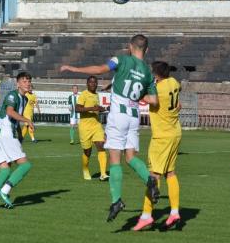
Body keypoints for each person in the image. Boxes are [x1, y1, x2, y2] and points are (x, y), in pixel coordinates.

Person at [60, 34, 158, 222]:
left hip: (118, 115)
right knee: (130, 157)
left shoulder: (121, 59)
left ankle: (116, 201)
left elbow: (99, 69)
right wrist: (136, 96)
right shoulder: (147, 71)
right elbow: (154, 100)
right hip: (134, 115)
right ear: (147, 50)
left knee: (115, 160)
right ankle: (150, 179)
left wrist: (73, 68)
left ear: (130, 46)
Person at [133, 61, 182, 231]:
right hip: (175, 132)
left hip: (162, 137)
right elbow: (178, 100)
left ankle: (146, 215)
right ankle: (174, 211)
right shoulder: (174, 82)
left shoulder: (158, 90)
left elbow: (143, 97)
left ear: (156, 75)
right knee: (170, 173)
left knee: (153, 176)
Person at [0, 72, 34, 210]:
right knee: (25, 165)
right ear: (17, 84)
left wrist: (19, 136)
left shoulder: (24, 99)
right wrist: (27, 120)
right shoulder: (13, 95)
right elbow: (10, 112)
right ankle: (4, 191)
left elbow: (15, 120)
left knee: (5, 170)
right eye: (24, 81)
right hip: (5, 133)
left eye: (29, 81)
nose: (27, 83)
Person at [76, 76, 109, 181]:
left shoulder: (96, 95)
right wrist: (92, 108)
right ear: (87, 84)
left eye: (95, 82)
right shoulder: (84, 95)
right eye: (91, 82)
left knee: (101, 146)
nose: (93, 84)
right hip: (85, 127)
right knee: (87, 152)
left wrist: (101, 109)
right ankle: (85, 169)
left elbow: (95, 109)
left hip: (96, 125)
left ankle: (103, 174)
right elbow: (77, 108)